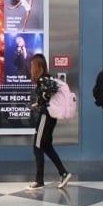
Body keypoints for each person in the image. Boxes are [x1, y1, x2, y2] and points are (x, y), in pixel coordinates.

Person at [27, 53, 72, 190]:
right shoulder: (48, 77)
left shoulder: (42, 80)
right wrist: (40, 101)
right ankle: (63, 173)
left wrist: (42, 101)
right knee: (46, 146)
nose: (31, 68)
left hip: (45, 117)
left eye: (32, 65)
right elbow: (49, 95)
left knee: (37, 146)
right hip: (51, 117)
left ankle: (39, 180)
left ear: (36, 66)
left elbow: (50, 92)